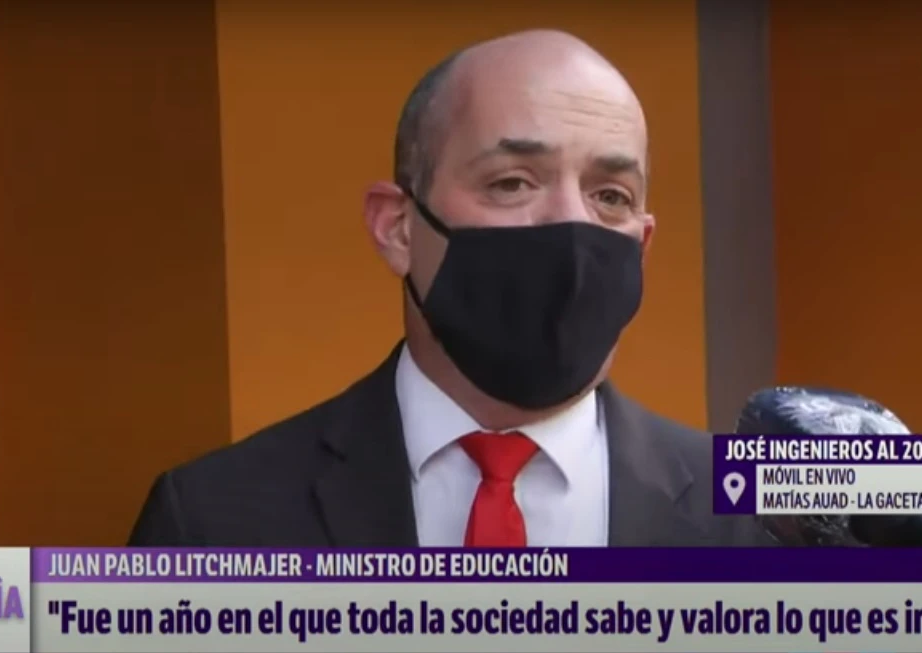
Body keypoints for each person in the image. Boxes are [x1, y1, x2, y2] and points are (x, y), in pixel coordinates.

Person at [128, 29, 777, 548]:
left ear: (642, 244)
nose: (570, 223)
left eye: (610, 195)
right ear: (398, 227)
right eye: (511, 182)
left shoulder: (775, 517)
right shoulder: (213, 518)